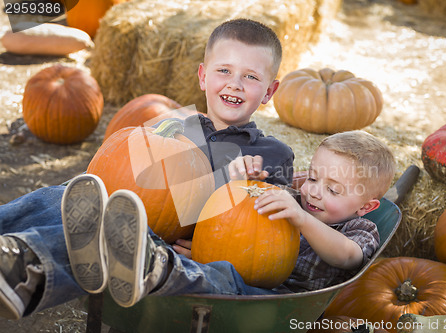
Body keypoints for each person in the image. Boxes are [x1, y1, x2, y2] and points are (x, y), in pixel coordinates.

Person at [0, 18, 294, 319]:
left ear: (269, 92)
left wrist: (243, 188)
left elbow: (270, 239)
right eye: (224, 70)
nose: (235, 83)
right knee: (69, 197)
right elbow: (121, 180)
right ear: (203, 77)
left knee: (110, 233)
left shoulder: (271, 155)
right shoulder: (173, 129)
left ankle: (26, 271)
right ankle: (8, 248)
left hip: (163, 255)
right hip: (122, 223)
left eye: (250, 77)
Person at [60, 129, 395, 308]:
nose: (315, 192)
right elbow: (240, 226)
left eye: (333, 190)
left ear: (366, 206)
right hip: (234, 274)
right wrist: (243, 182)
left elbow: (348, 257)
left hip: (274, 303)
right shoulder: (294, 200)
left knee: (224, 280)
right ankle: (126, 255)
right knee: (199, 261)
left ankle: (151, 269)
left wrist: (301, 220)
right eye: (313, 178)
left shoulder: (358, 229)